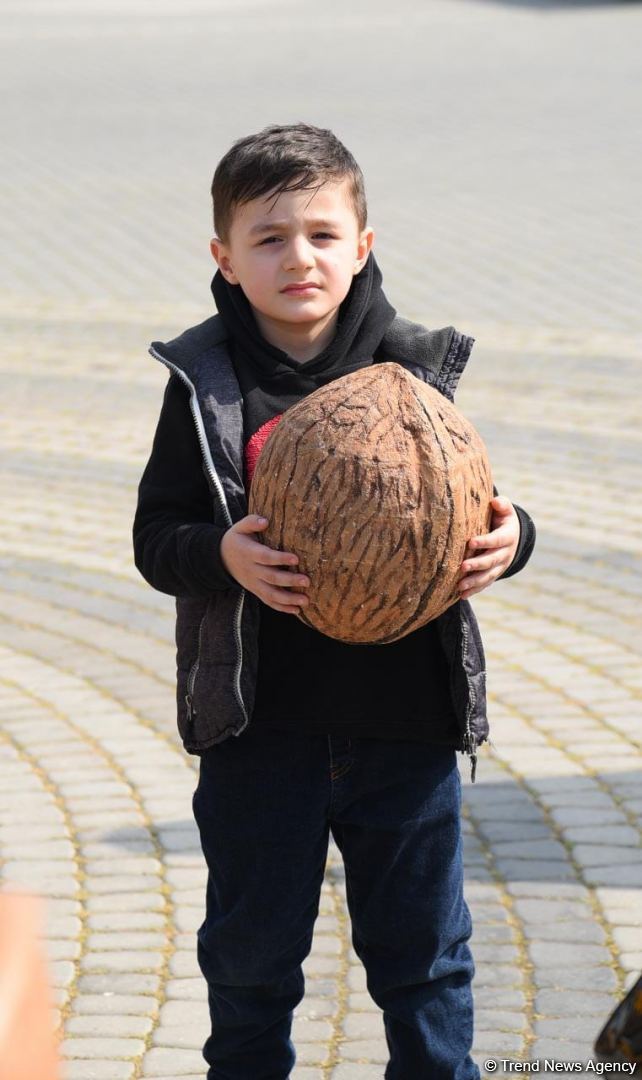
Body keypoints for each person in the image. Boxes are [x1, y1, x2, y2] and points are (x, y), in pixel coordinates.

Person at [133, 122, 536, 1080]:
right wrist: (221, 554)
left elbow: (486, 510)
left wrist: (516, 540)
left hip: (405, 730)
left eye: (321, 233)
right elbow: (157, 540)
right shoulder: (207, 386)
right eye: (268, 238)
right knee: (249, 961)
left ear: (362, 244)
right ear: (224, 259)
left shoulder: (417, 370)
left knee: (425, 960)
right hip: (258, 732)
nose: (298, 257)